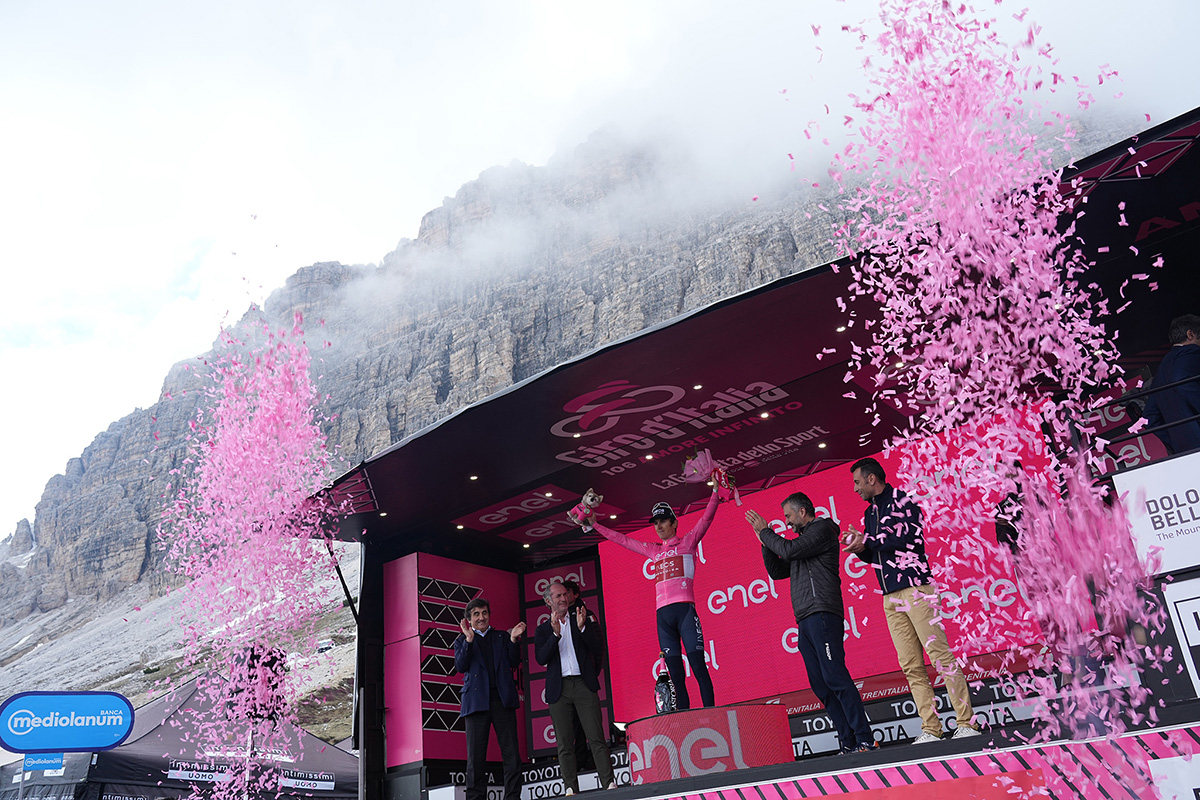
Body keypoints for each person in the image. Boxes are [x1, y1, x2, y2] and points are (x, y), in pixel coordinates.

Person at [841, 457, 980, 743]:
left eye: (857, 482)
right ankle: (931, 727)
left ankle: (966, 722)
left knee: (940, 656)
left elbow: (904, 538)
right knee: (911, 665)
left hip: (916, 588)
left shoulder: (904, 501)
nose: (855, 489)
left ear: (871, 479)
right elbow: (875, 554)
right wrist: (858, 548)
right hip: (890, 596)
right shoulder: (870, 514)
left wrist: (868, 541)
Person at [746, 494, 876, 754]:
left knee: (835, 677)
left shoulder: (822, 529)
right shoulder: (803, 543)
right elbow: (777, 571)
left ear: (802, 511)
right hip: (805, 617)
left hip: (823, 613)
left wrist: (766, 531)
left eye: (788, 516)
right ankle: (848, 741)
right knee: (821, 684)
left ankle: (865, 738)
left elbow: (790, 550)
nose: (787, 521)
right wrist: (763, 540)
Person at [580, 489, 720, 709]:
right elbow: (622, 539)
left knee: (698, 667)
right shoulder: (653, 551)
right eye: (655, 522)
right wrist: (595, 525)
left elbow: (707, 517)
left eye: (663, 520)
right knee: (675, 675)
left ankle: (714, 715)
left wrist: (715, 490)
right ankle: (685, 722)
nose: (659, 526)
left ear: (674, 523)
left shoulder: (688, 542)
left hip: (684, 613)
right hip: (663, 618)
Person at [535, 581, 616, 795]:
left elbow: (597, 647)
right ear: (548, 601)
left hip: (582, 684)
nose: (563, 599)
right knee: (564, 743)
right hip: (559, 689)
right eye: (558, 596)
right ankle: (570, 787)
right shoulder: (543, 629)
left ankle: (609, 783)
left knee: (596, 736)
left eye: (565, 595)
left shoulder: (581, 619)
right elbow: (541, 658)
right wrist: (554, 635)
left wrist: (581, 628)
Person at [453, 598, 526, 800]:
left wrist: (513, 640)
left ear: (489, 615)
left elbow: (514, 661)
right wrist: (468, 640)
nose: (481, 617)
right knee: (475, 758)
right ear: (469, 619)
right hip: (476, 703)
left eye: (484, 613)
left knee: (511, 754)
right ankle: (476, 797)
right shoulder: (462, 640)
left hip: (502, 701)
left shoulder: (502, 637)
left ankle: (513, 796)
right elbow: (460, 666)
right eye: (476, 614)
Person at [1143, 314, 1200, 455]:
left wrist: (1176, 441)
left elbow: (1149, 416)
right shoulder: (1191, 353)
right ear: (1190, 334)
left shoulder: (1163, 367)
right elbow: (1181, 382)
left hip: (1184, 449)